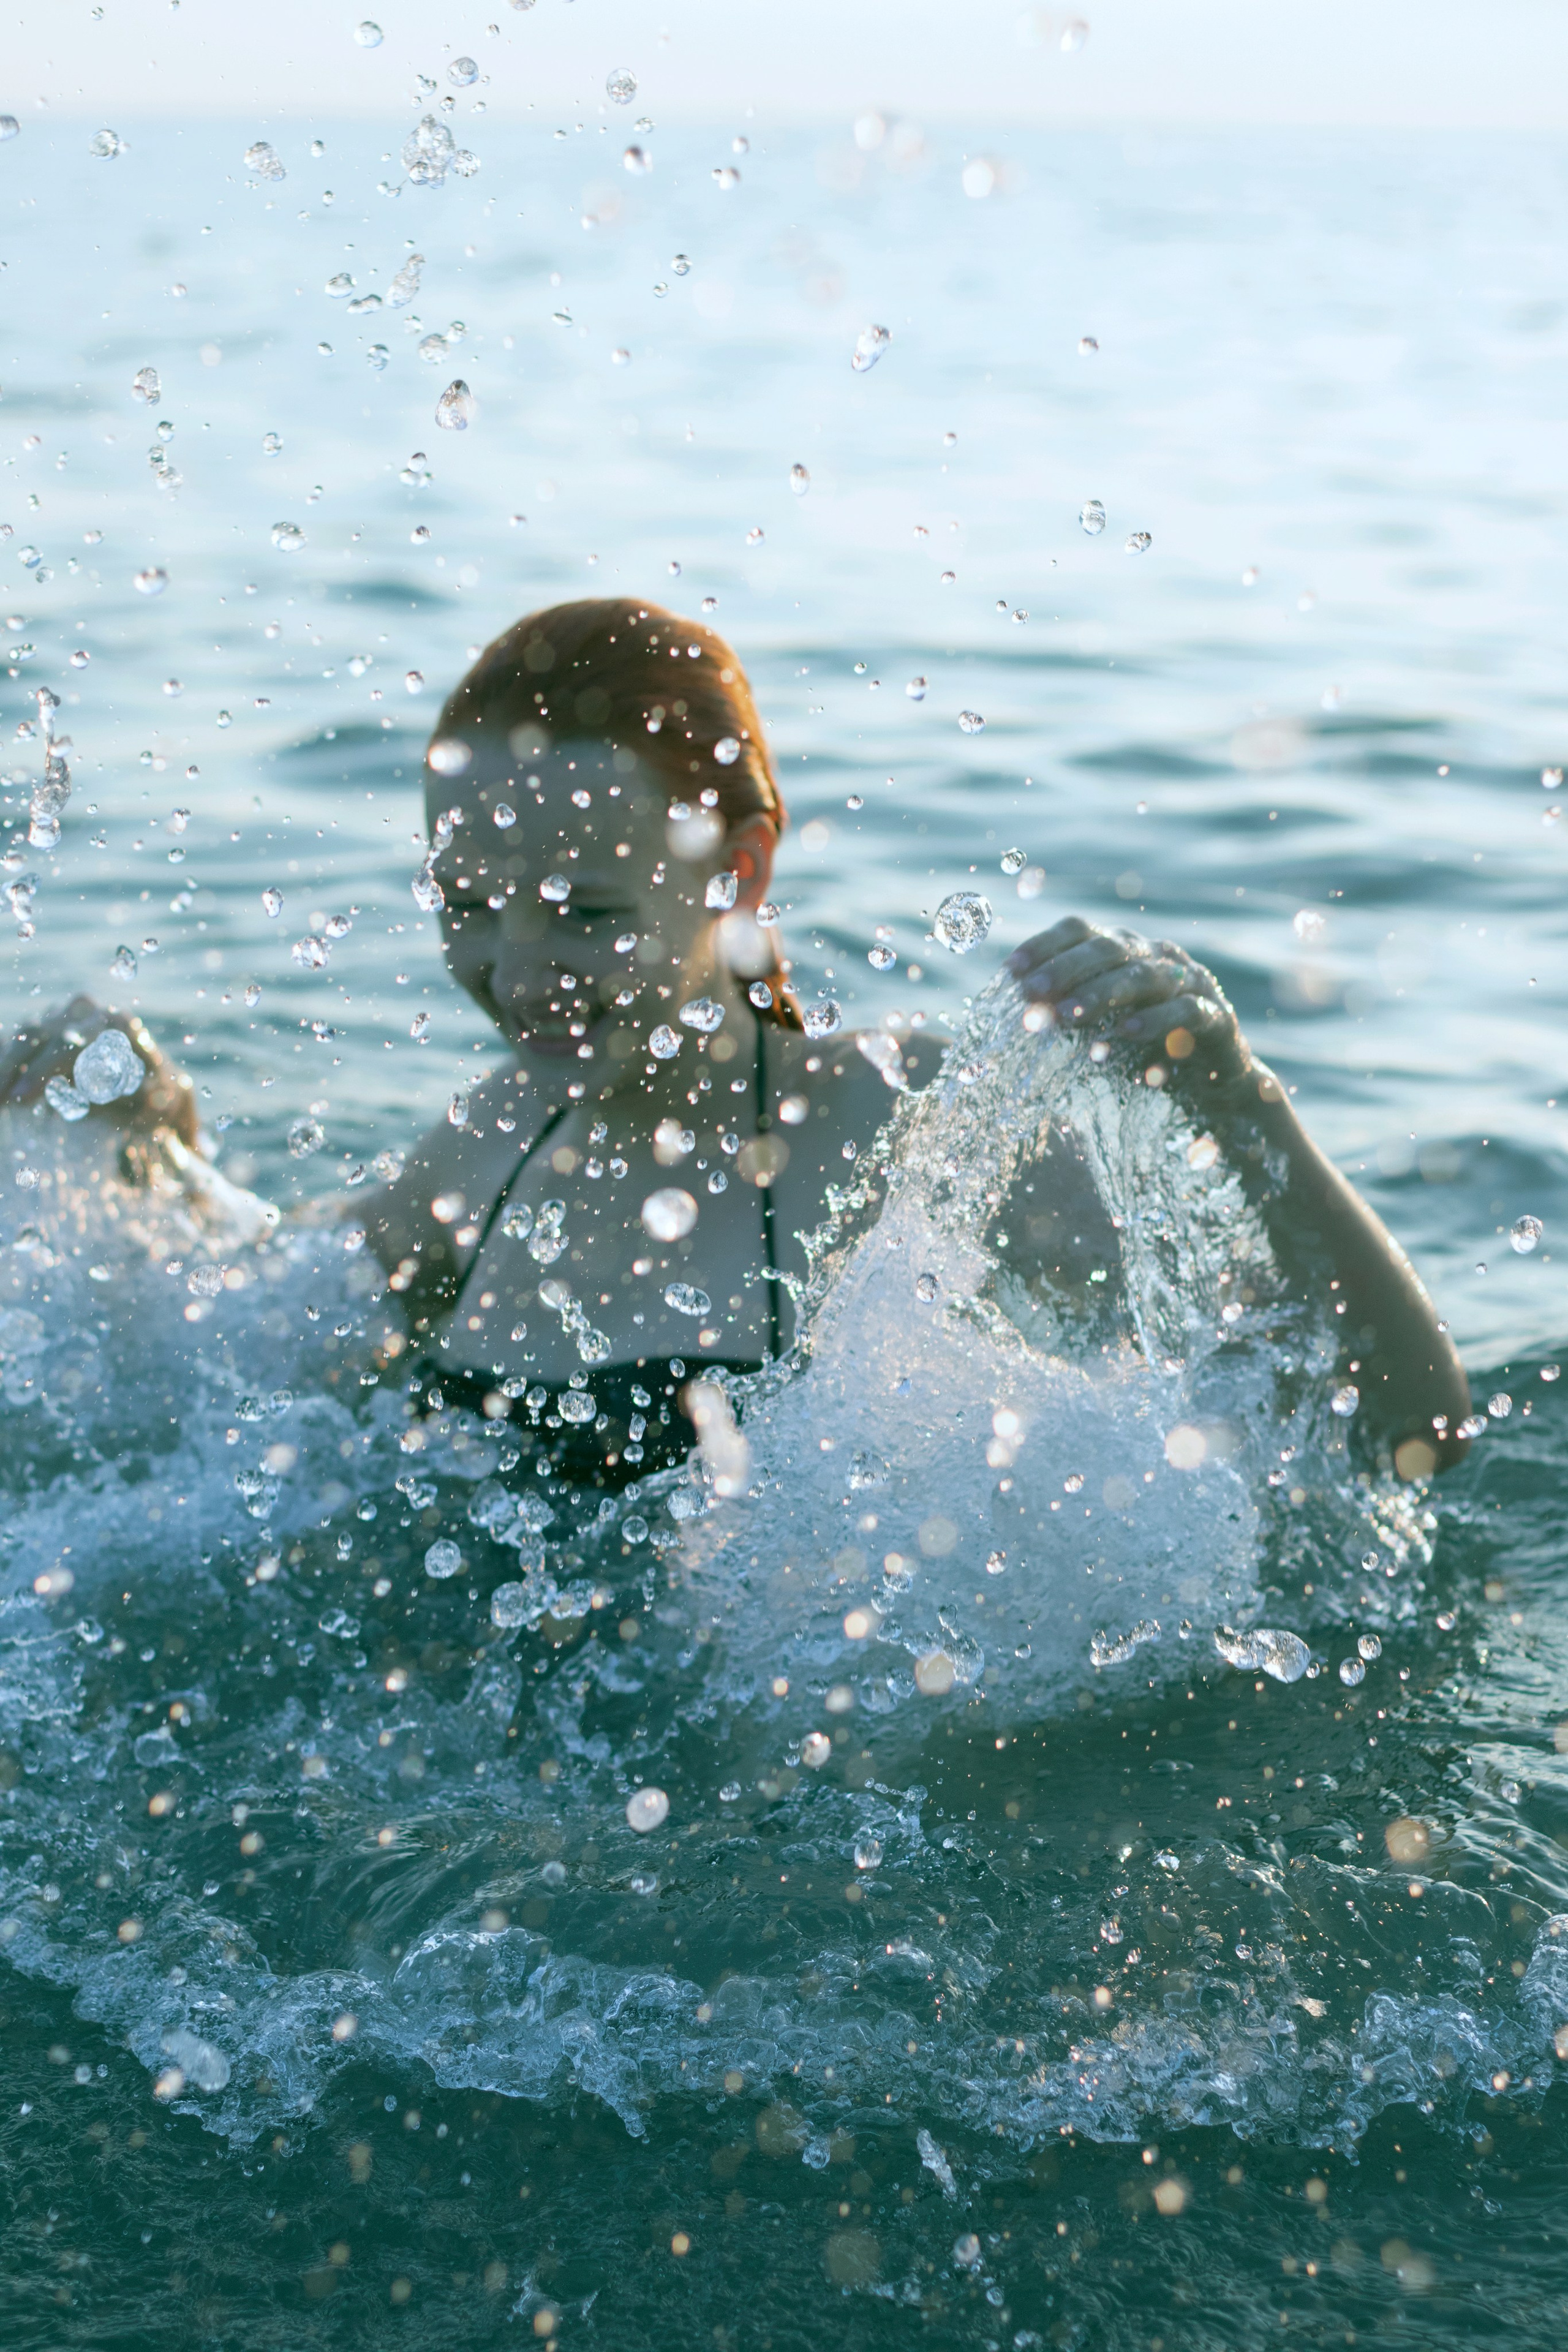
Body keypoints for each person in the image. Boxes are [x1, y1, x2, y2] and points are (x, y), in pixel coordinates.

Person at [360, 597, 1470, 1492]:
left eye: (584, 912)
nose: (511, 973)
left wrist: (1238, 1099)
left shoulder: (912, 1135)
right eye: (465, 902)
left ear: (735, 873)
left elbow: (1402, 1426)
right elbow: (247, 1343)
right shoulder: (474, 1155)